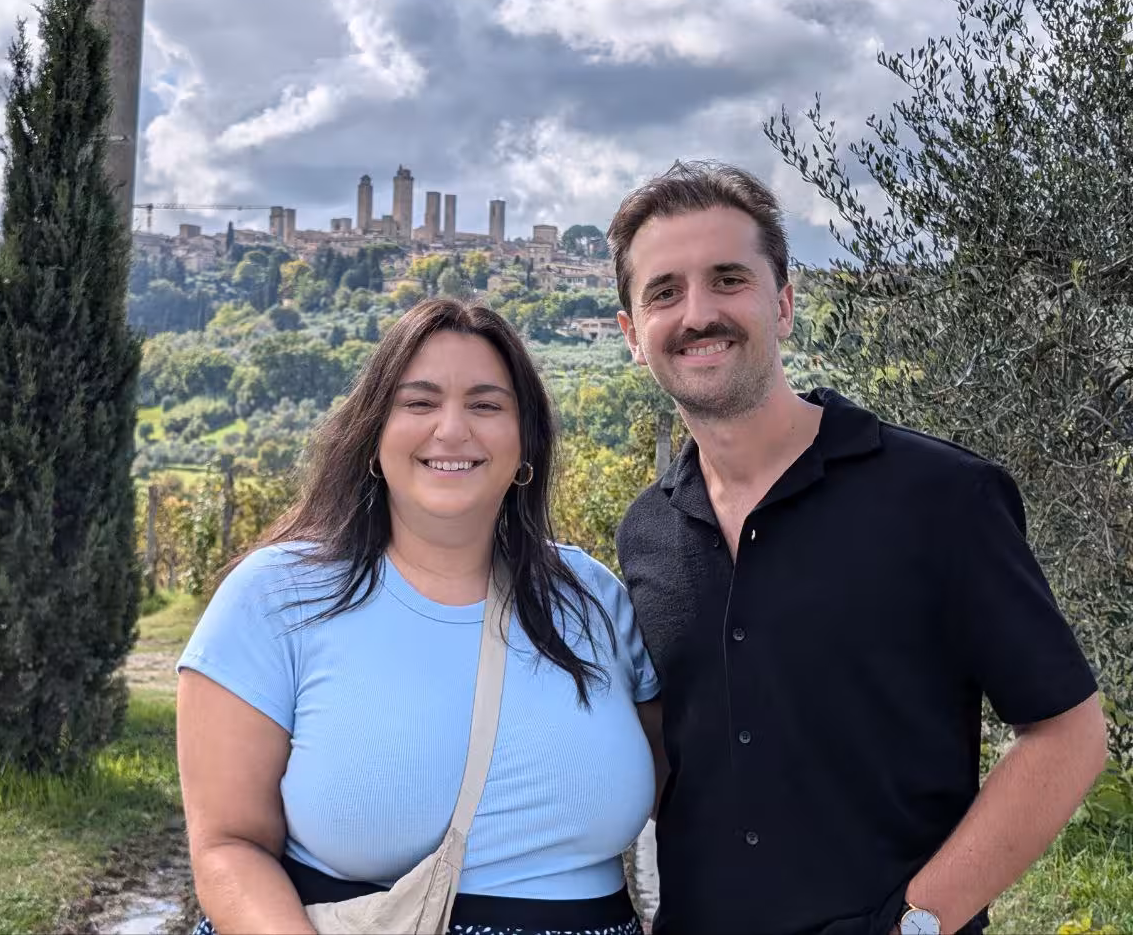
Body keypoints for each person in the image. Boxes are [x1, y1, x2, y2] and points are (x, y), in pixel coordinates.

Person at [609, 161, 1109, 935]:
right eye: (664, 291)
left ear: (783, 302)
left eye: (729, 279)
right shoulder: (644, 532)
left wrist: (915, 923)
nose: (698, 312)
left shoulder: (941, 498)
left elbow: (1069, 736)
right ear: (632, 335)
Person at [175, 298, 664, 935]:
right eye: (420, 402)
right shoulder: (275, 597)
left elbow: (684, 794)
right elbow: (228, 847)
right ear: (374, 437)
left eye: (486, 405)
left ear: (526, 446)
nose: (452, 430)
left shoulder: (595, 599)